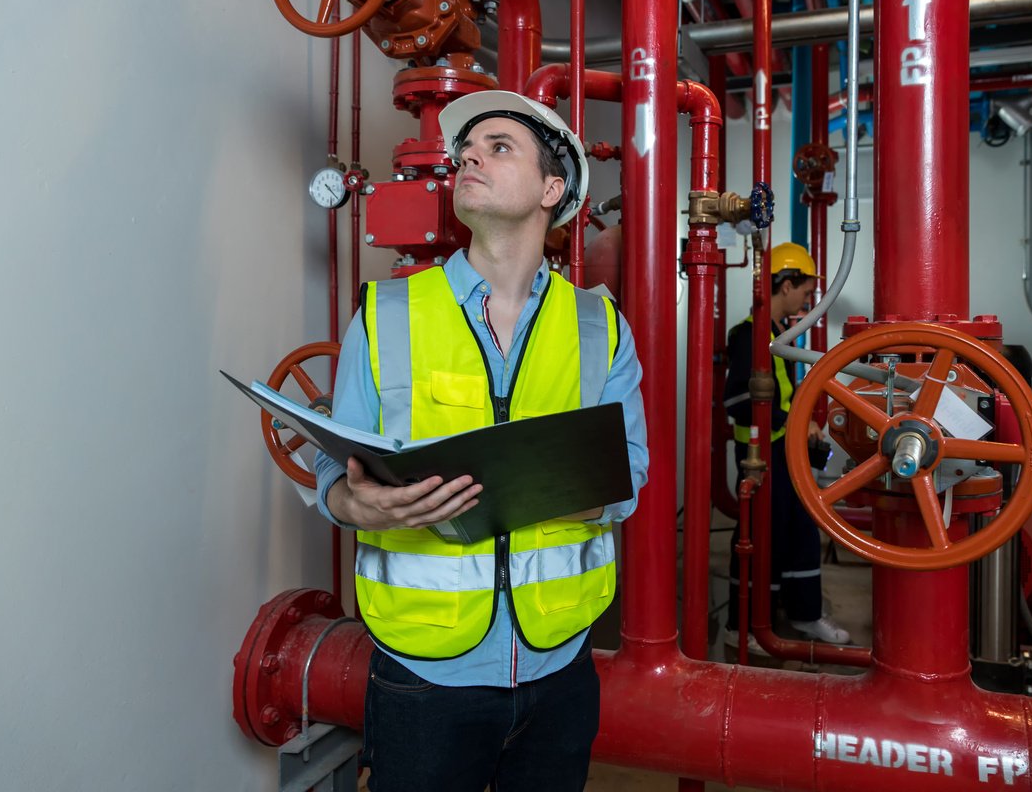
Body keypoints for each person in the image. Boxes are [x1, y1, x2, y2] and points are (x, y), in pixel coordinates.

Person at [313, 90, 649, 792]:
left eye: (499, 147)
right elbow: (331, 472)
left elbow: (632, 472)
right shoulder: (387, 315)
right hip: (423, 673)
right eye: (467, 148)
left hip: (559, 663)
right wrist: (355, 505)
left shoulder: (600, 327)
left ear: (552, 189)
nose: (469, 155)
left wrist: (572, 489)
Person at [723, 241, 851, 652]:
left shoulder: (781, 336)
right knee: (760, 537)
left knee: (800, 532)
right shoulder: (749, 337)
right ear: (784, 284)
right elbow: (736, 401)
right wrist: (790, 421)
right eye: (804, 290)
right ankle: (741, 626)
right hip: (761, 457)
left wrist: (802, 425)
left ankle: (804, 614)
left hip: (786, 453)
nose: (807, 299)